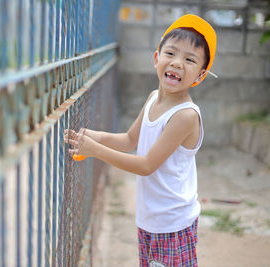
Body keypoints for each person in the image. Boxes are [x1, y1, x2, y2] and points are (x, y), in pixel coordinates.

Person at [65, 14, 217, 267]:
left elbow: (146, 165)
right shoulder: (152, 98)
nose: (178, 63)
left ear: (200, 76)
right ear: (157, 59)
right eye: (171, 53)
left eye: (189, 59)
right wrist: (92, 136)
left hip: (172, 223)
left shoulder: (185, 116)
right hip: (149, 218)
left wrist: (95, 150)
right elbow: (129, 139)